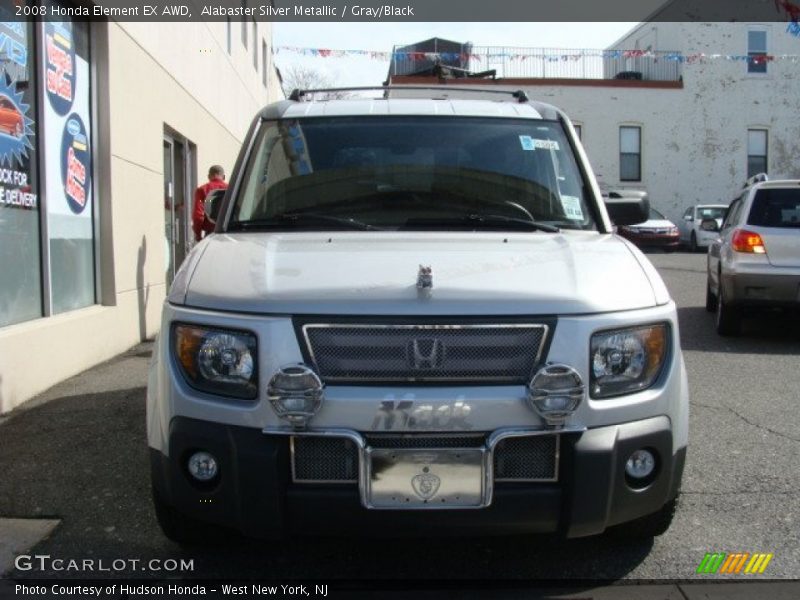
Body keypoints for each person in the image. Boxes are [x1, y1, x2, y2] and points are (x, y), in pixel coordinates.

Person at [192, 165, 227, 241]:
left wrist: (198, 235)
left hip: (211, 233)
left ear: (208, 176)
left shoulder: (202, 190)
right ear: (224, 177)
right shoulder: (230, 189)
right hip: (229, 232)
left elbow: (198, 215)